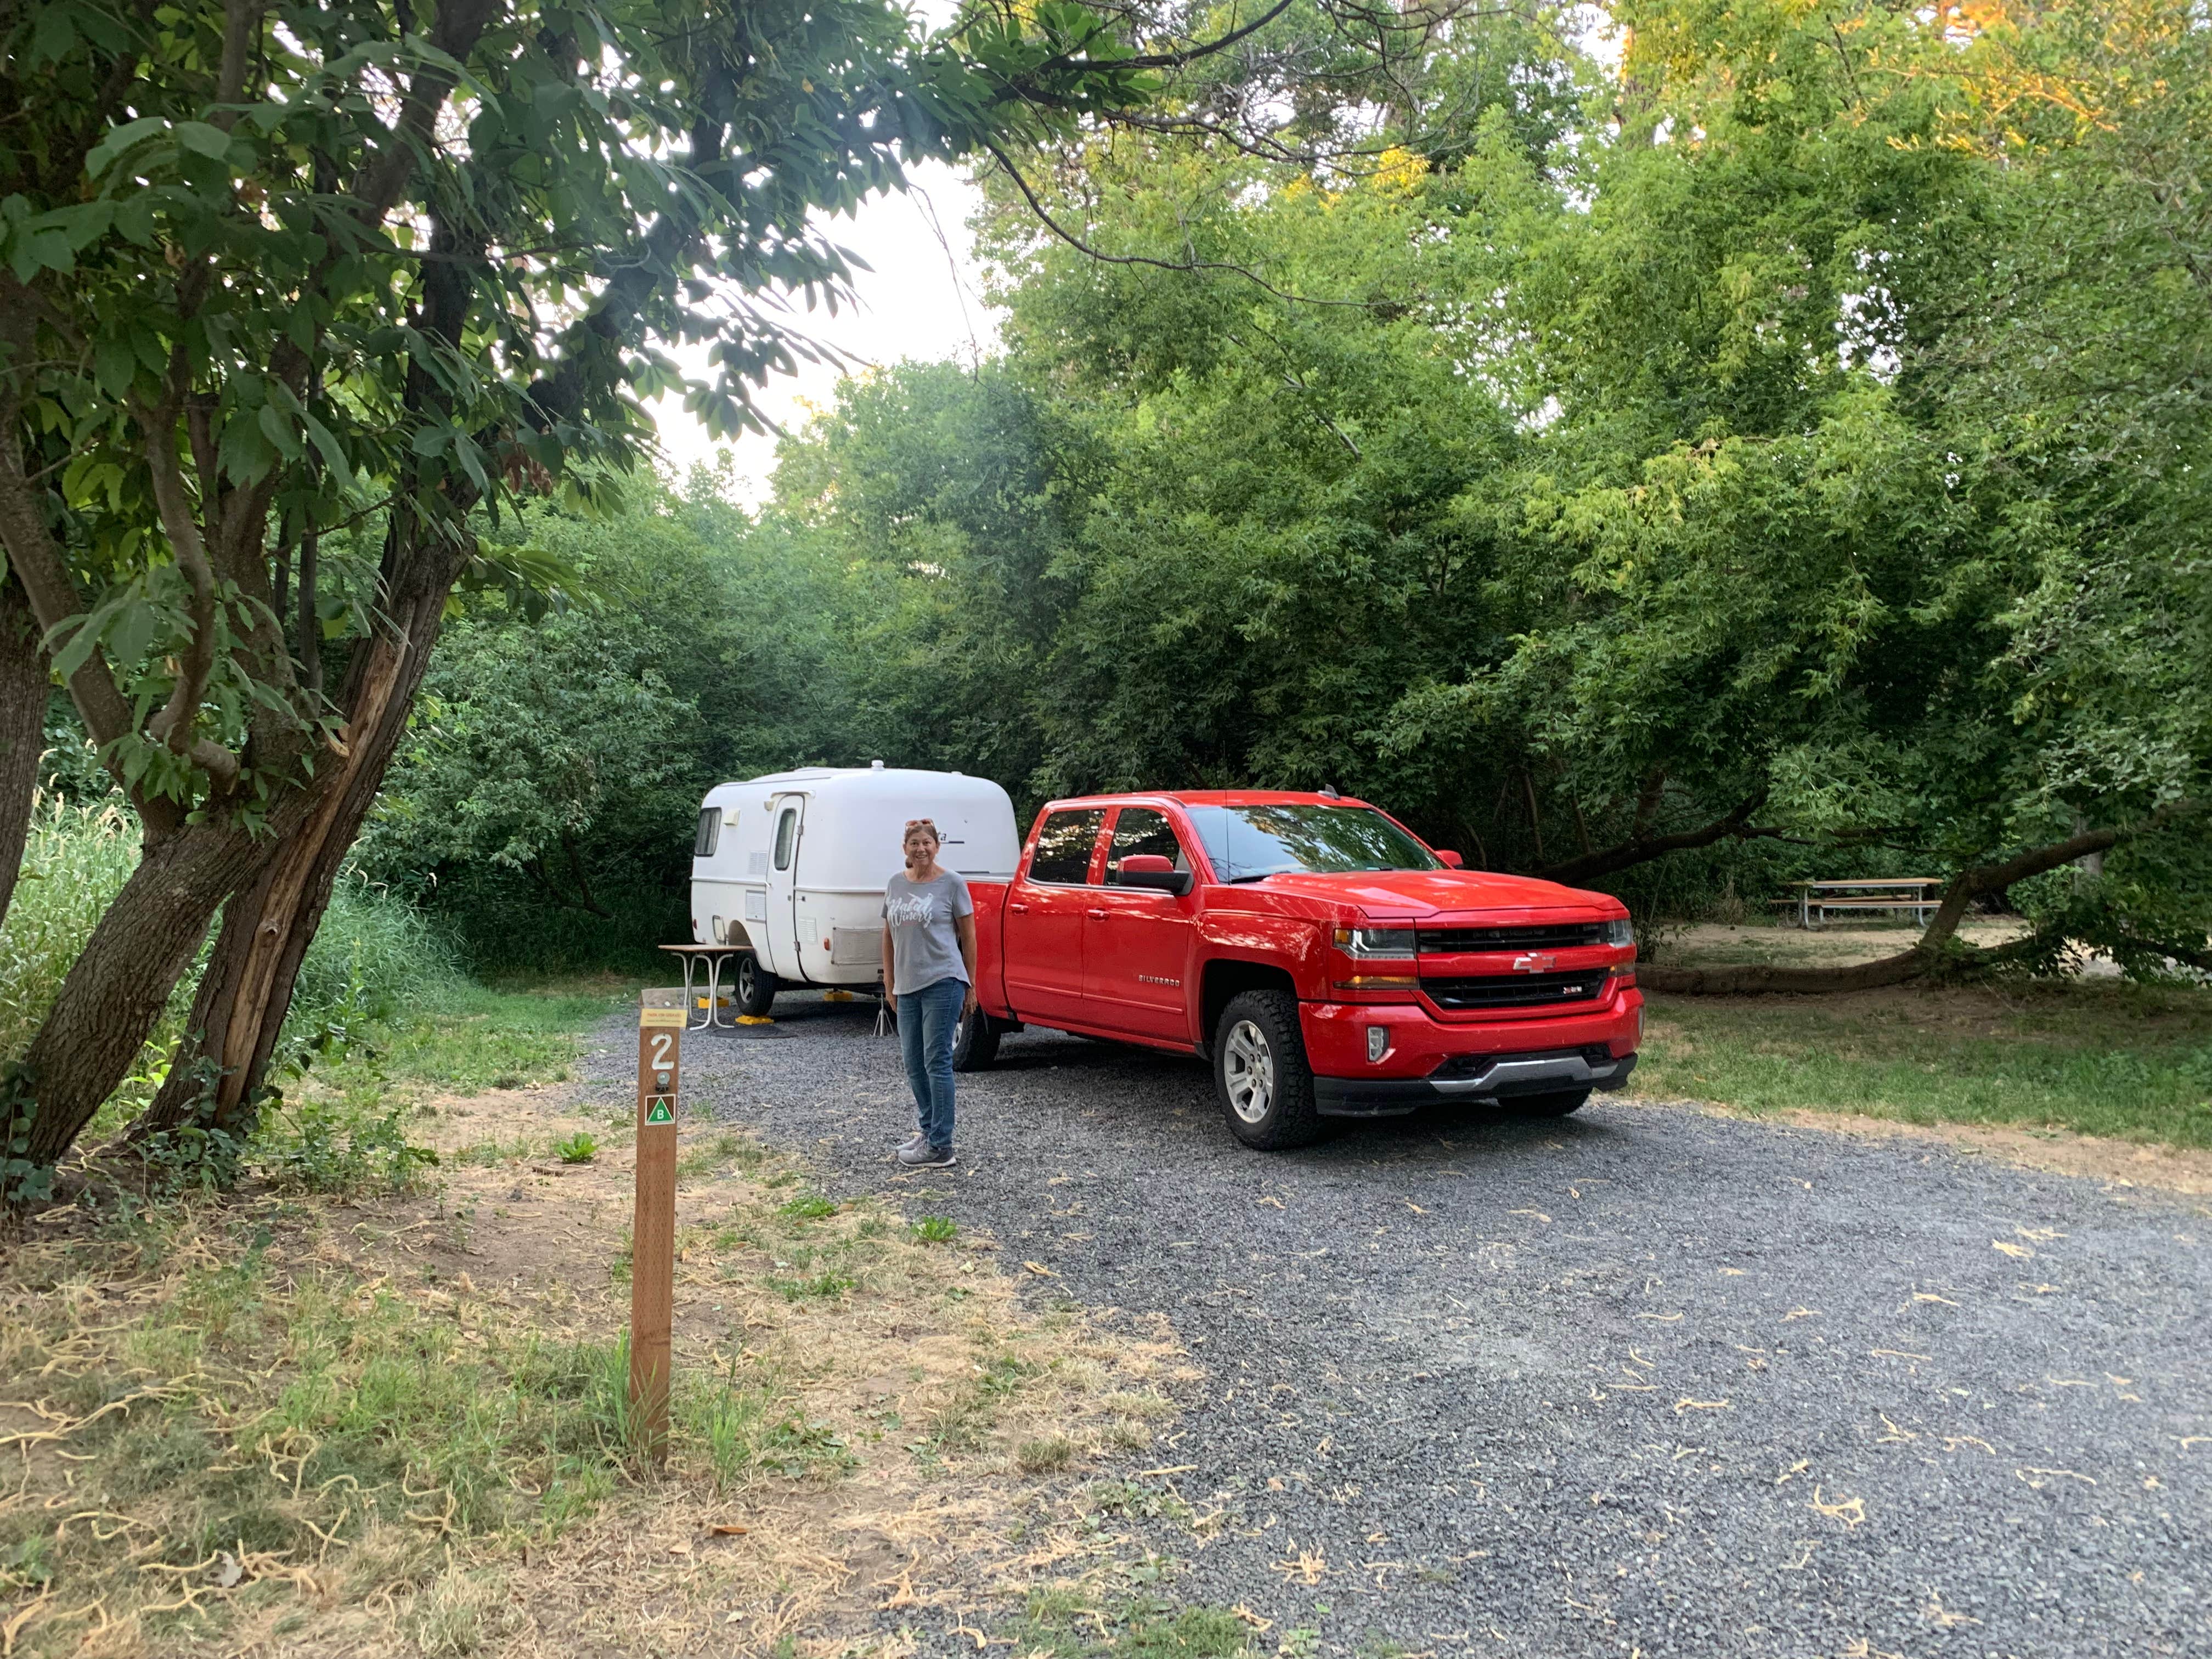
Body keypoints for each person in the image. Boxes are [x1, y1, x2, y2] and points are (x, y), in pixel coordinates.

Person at [880, 817, 977, 1167]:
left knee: (937, 1061)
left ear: (937, 846)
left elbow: (968, 936)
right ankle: (929, 1130)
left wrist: (971, 983)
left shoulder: (952, 884)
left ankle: (941, 1146)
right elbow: (888, 934)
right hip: (906, 985)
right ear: (904, 848)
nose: (921, 849)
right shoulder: (895, 884)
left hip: (944, 981)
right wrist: (889, 982)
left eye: (927, 843)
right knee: (913, 1063)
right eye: (914, 843)